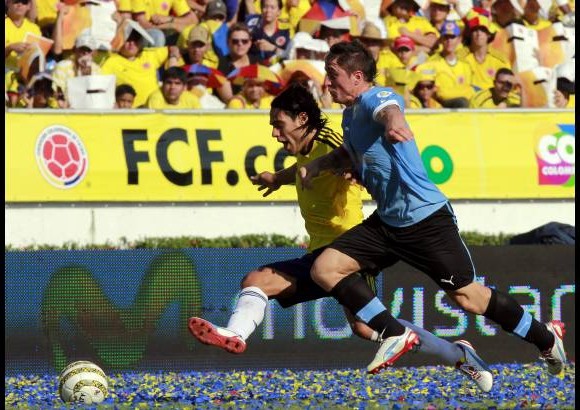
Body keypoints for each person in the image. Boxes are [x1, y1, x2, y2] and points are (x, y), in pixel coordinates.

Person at [189, 82, 494, 392]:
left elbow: (359, 158)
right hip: (320, 255)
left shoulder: (334, 141)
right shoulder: (308, 151)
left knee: (366, 326)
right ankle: (236, 334)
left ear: (302, 120)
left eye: (278, 125)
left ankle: (458, 355)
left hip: (350, 253)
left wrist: (358, 172)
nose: (274, 134)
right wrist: (277, 178)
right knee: (257, 281)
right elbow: (303, 169)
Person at [298, 39, 567, 377]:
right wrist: (317, 165)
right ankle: (393, 334)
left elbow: (389, 108)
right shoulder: (351, 114)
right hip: (388, 223)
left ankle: (546, 336)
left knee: (468, 298)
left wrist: (394, 121)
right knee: (326, 268)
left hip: (425, 219)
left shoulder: (372, 99)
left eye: (332, 74)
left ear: (356, 76)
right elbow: (349, 154)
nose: (327, 82)